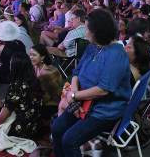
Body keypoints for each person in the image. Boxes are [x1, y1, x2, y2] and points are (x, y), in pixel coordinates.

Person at [51, 8, 131, 157]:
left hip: (104, 110)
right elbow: (76, 73)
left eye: (88, 29)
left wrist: (74, 96)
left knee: (69, 140)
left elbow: (103, 90)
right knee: (57, 128)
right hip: (83, 102)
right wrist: (73, 96)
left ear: (99, 32)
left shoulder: (116, 54)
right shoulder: (93, 46)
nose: (85, 33)